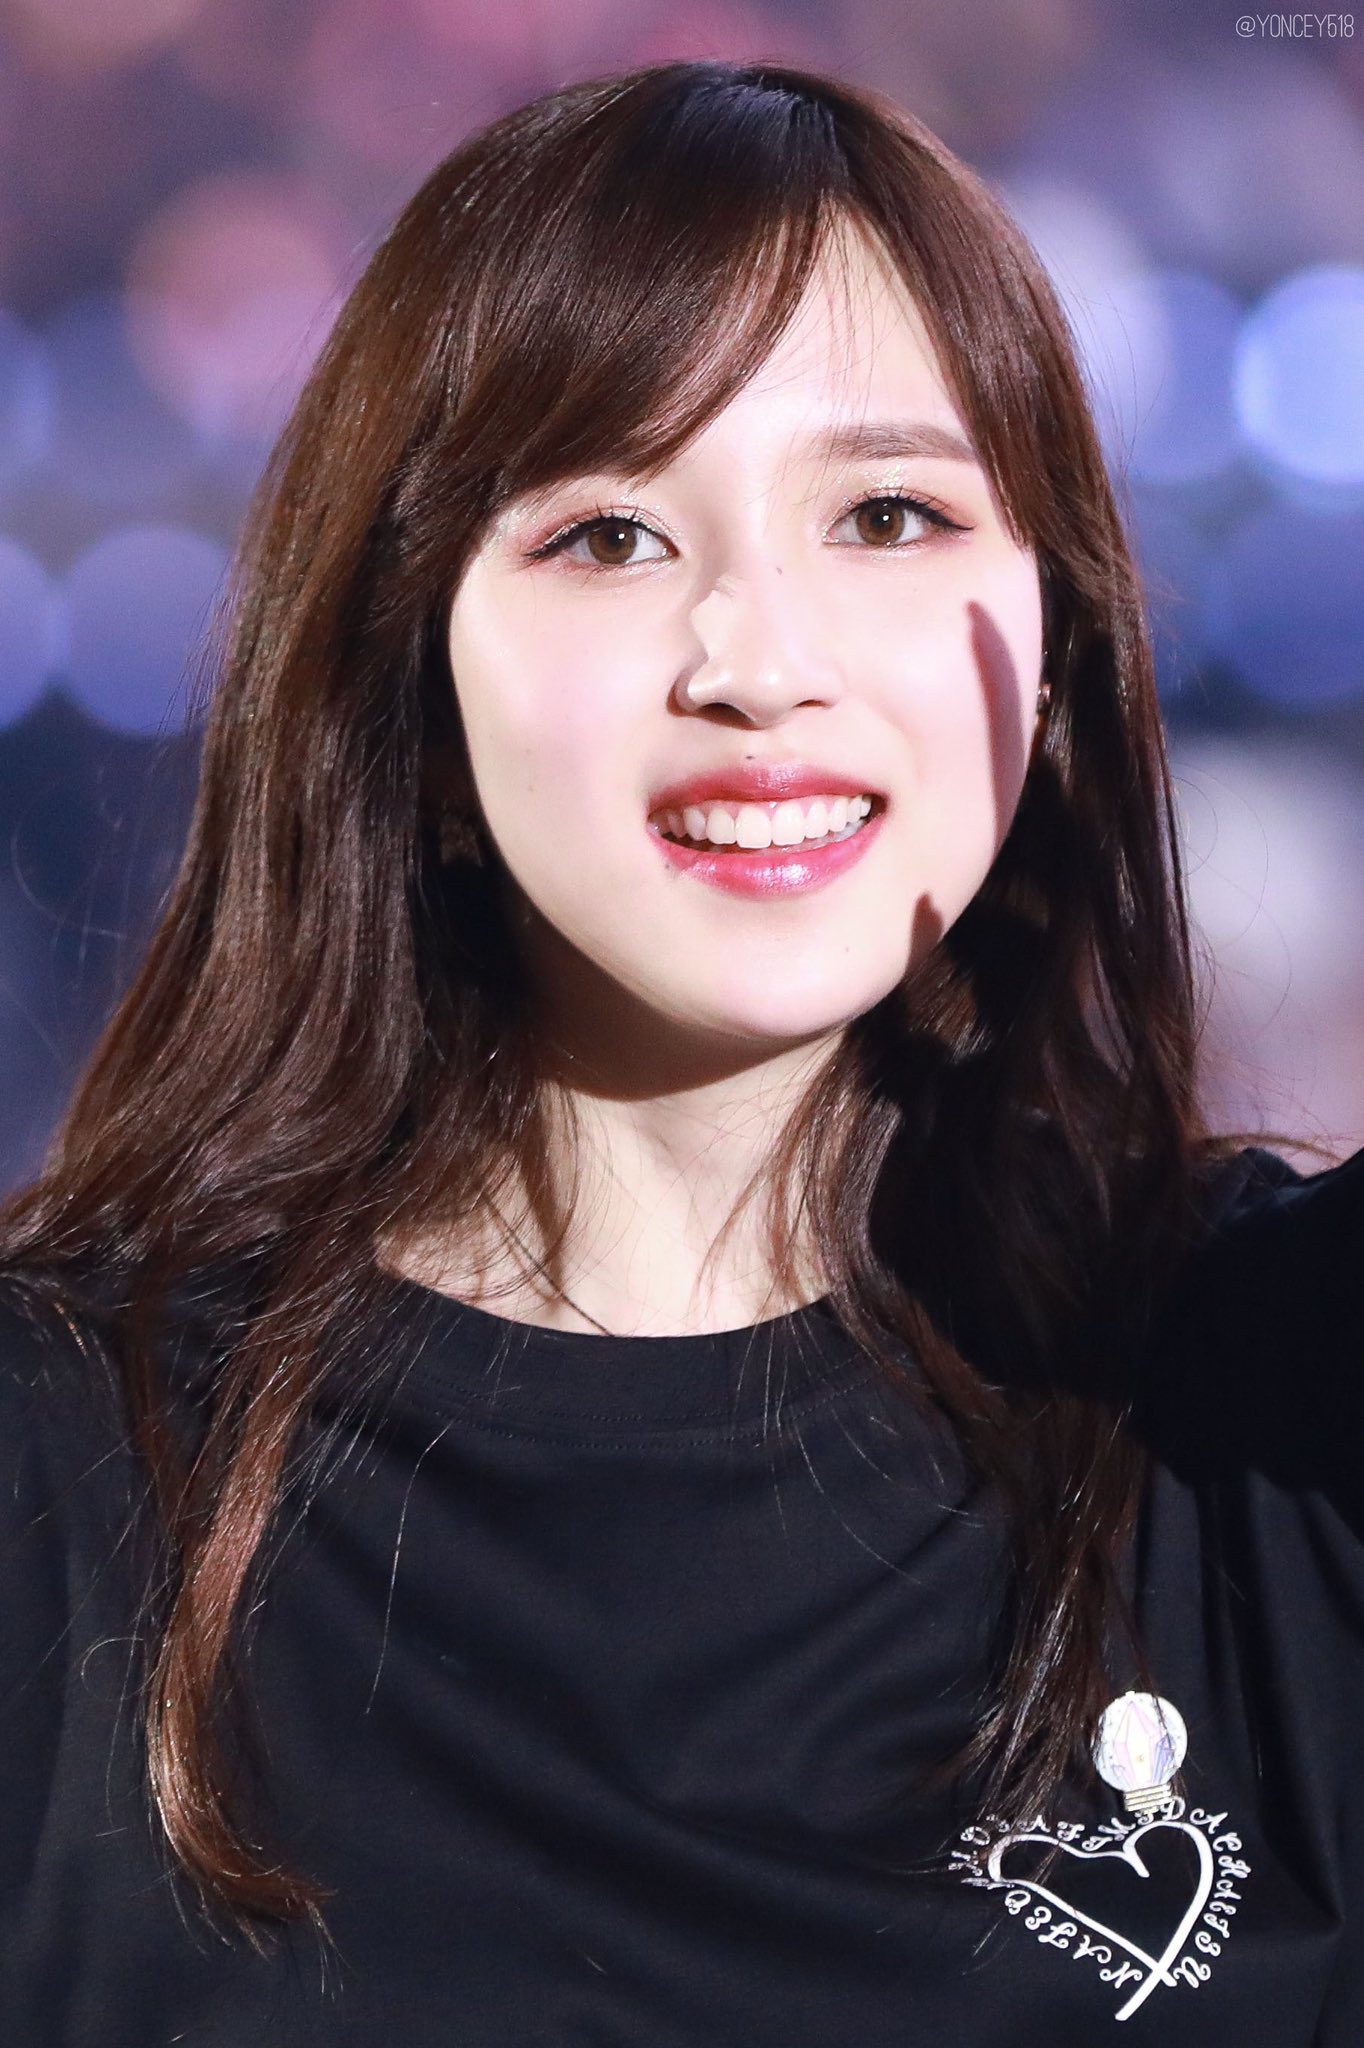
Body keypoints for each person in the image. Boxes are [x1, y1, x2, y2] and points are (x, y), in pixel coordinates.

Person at [0, 55, 1360, 2047]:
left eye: (887, 515)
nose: (759, 662)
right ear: (407, 682)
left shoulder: (1269, 1390)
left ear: (1055, 648)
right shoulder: (59, 1462)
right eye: (611, 535)